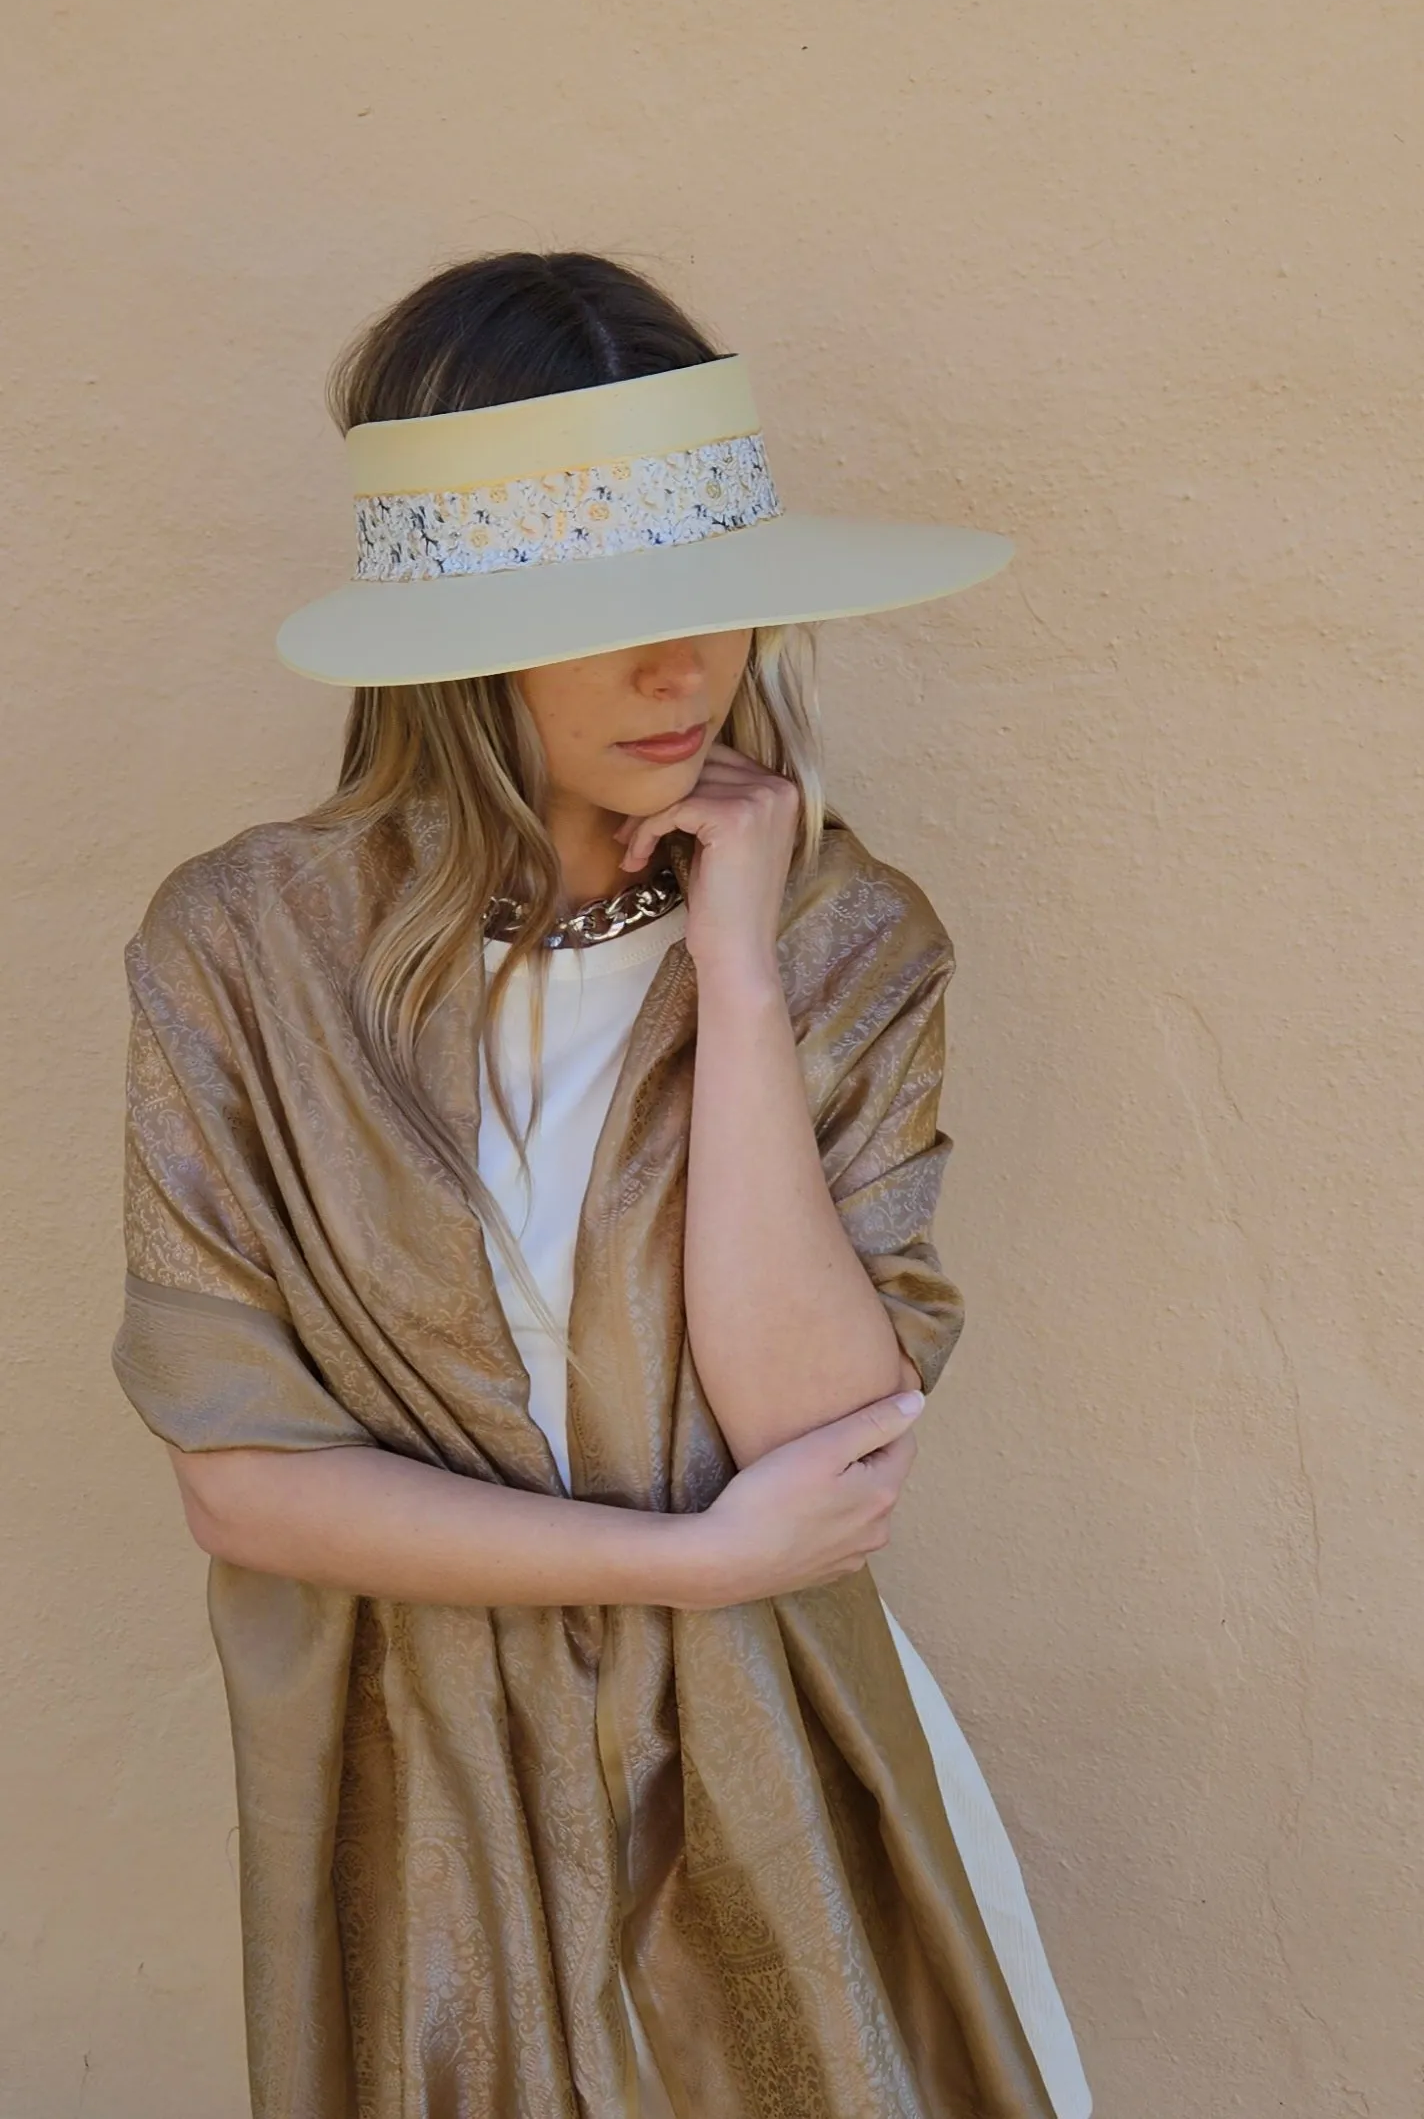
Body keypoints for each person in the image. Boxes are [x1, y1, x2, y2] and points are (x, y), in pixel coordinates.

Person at [112, 249, 1093, 2119]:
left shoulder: (843, 941)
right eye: (608, 610)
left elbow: (824, 1423)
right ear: (458, 638)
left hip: (784, 1768)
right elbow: (242, 1481)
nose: (683, 666)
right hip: (428, 1798)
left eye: (716, 600)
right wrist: (690, 1561)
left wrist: (732, 966)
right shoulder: (240, 952)